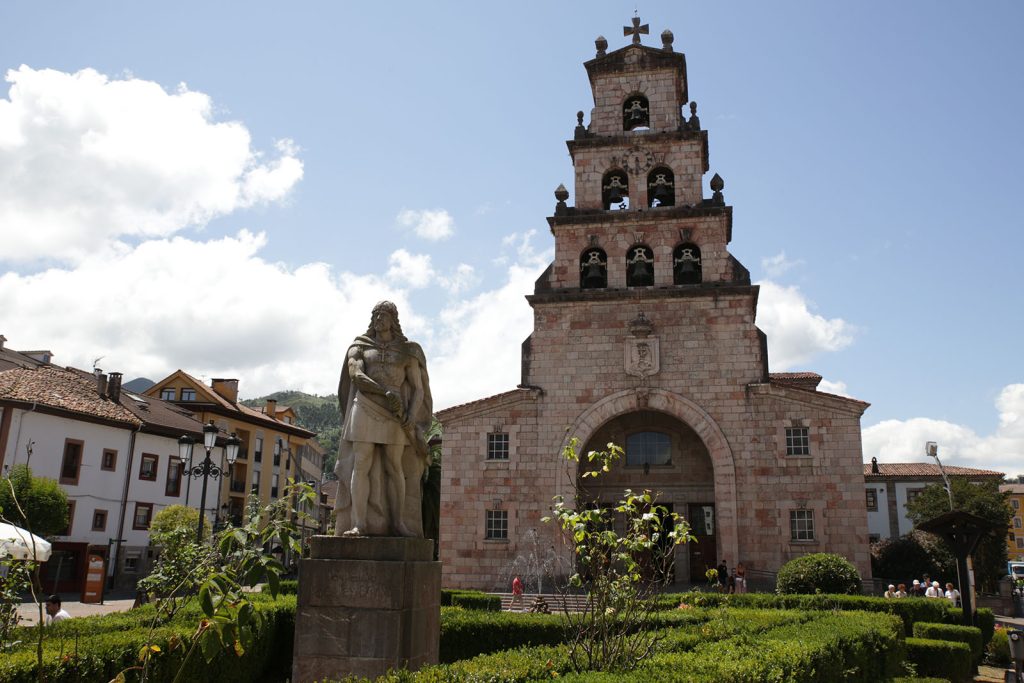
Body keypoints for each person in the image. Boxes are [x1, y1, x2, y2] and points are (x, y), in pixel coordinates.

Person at [333, 301, 433, 537]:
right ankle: (359, 524)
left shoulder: (407, 351)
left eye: (383, 315)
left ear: (393, 320)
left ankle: (398, 523)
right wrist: (384, 392)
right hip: (365, 405)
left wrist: (411, 416)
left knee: (394, 465)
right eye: (375, 315)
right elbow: (355, 374)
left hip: (395, 413)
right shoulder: (360, 346)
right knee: (361, 463)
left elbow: (418, 389)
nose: (378, 319)